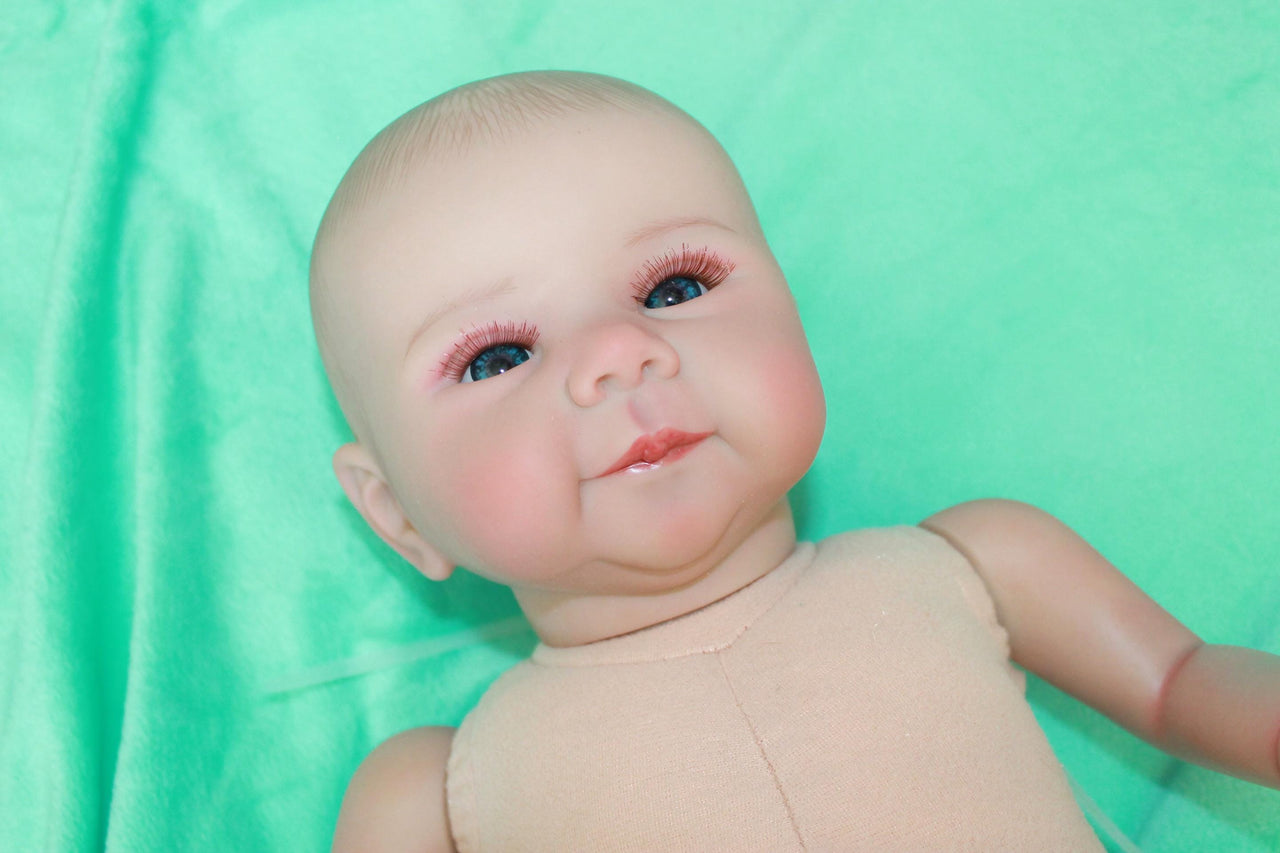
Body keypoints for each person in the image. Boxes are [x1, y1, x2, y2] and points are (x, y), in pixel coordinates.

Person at [308, 71, 1280, 852]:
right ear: (395, 515)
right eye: (498, 357)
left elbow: (1178, 681)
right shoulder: (427, 793)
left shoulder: (980, 561)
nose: (618, 352)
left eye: (674, 285)